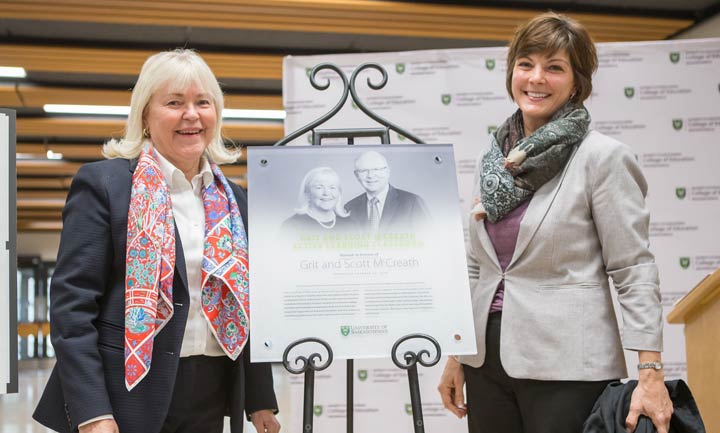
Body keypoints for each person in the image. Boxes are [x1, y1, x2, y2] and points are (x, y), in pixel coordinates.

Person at [438, 12, 673, 433]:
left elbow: (632, 268)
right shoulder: (493, 160)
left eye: (554, 67)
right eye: (526, 64)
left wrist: (650, 372)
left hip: (569, 366)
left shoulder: (602, 158)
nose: (536, 78)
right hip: (486, 362)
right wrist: (457, 355)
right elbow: (477, 267)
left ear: (577, 83)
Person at [33, 49, 280, 433]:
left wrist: (260, 399)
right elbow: (72, 309)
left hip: (212, 391)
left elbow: (244, 299)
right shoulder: (105, 186)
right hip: (125, 394)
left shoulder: (233, 199)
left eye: (203, 103)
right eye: (174, 103)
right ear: (145, 115)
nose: (191, 115)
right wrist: (92, 412)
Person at [344, 150, 429, 233]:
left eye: (376, 169)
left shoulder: (412, 202)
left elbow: (430, 239)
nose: (370, 175)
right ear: (356, 175)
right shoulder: (350, 208)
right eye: (363, 171)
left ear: (387, 171)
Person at [281, 166, 355, 233]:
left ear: (339, 193)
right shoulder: (291, 226)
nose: (326, 193)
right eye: (319, 187)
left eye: (332, 187)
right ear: (307, 193)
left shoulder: (350, 224)